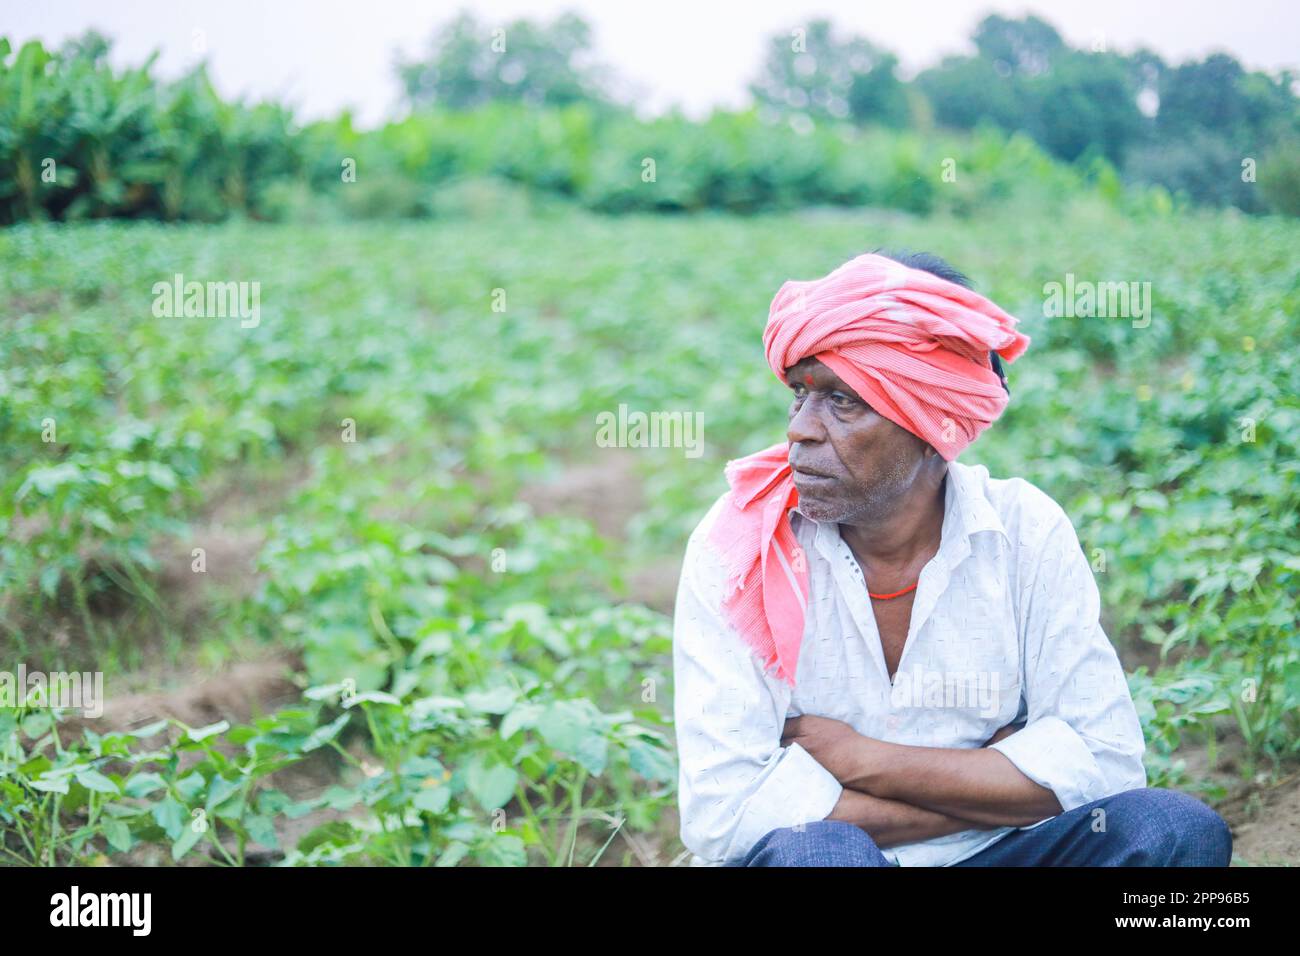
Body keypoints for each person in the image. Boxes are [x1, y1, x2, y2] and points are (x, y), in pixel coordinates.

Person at [671, 249, 1233, 867]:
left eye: (843, 401)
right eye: (799, 394)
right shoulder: (740, 548)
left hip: (999, 854)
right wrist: (998, 778)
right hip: (843, 857)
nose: (800, 429)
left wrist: (865, 761)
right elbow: (725, 816)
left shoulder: (1024, 531)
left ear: (933, 422)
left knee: (1173, 831)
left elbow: (1106, 763)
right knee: (823, 855)